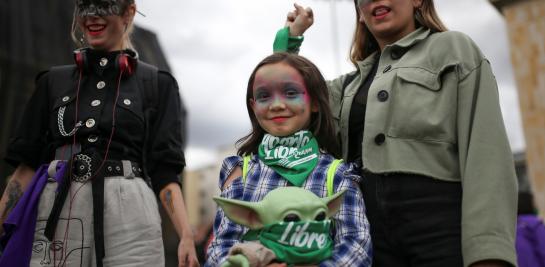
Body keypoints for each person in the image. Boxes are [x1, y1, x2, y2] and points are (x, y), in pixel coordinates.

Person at [274, 1, 518, 266]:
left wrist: (489, 254)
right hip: (367, 238)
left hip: (442, 231)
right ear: (361, 15)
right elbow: (285, 99)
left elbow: (487, 156)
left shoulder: (454, 50)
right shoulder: (346, 86)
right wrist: (290, 40)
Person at [0, 0, 199, 266]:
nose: (92, 16)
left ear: (129, 11)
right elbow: (25, 166)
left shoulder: (157, 84)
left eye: (104, 5)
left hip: (131, 212)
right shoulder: (51, 82)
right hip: (59, 206)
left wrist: (185, 233)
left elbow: (165, 171)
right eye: (84, 6)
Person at [205, 53, 372, 267]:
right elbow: (221, 247)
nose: (276, 105)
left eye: (291, 92)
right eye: (264, 96)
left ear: (314, 102)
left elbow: (356, 244)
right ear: (253, 106)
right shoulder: (239, 171)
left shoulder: (337, 173)